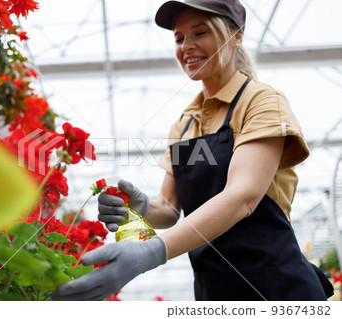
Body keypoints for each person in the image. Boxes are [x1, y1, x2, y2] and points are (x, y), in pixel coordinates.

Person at [53, 0, 334, 301]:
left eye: (200, 33)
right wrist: (141, 206)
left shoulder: (261, 102)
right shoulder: (186, 123)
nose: (186, 46)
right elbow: (170, 209)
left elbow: (244, 197)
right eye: (179, 38)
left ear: (236, 37)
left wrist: (153, 251)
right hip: (213, 292)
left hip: (278, 287)